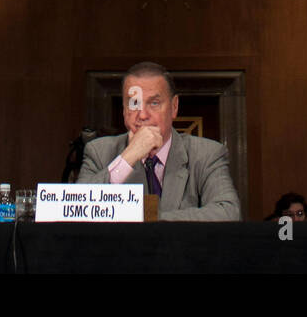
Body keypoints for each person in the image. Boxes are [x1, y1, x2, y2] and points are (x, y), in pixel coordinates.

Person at [76, 62, 241, 220]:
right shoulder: (99, 152)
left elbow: (227, 212)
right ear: (124, 110)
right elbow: (75, 210)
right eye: (134, 104)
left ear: (174, 107)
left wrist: (149, 219)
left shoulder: (206, 154)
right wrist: (128, 158)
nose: (142, 115)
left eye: (154, 103)